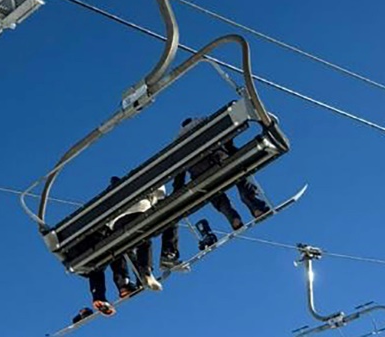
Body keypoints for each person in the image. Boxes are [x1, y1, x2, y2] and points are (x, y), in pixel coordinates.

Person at [160, 117, 271, 268]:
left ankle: (233, 217)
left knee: (214, 194)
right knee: (240, 177)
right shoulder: (204, 123)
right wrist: (233, 151)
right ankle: (255, 206)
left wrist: (177, 190)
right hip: (220, 160)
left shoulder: (178, 144)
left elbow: (179, 173)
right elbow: (226, 137)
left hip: (201, 174)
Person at [83, 176, 164, 317]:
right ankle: (143, 272)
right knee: (140, 239)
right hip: (138, 212)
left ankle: (121, 286)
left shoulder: (110, 198)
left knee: (116, 250)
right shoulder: (140, 182)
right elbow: (161, 194)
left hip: (114, 225)